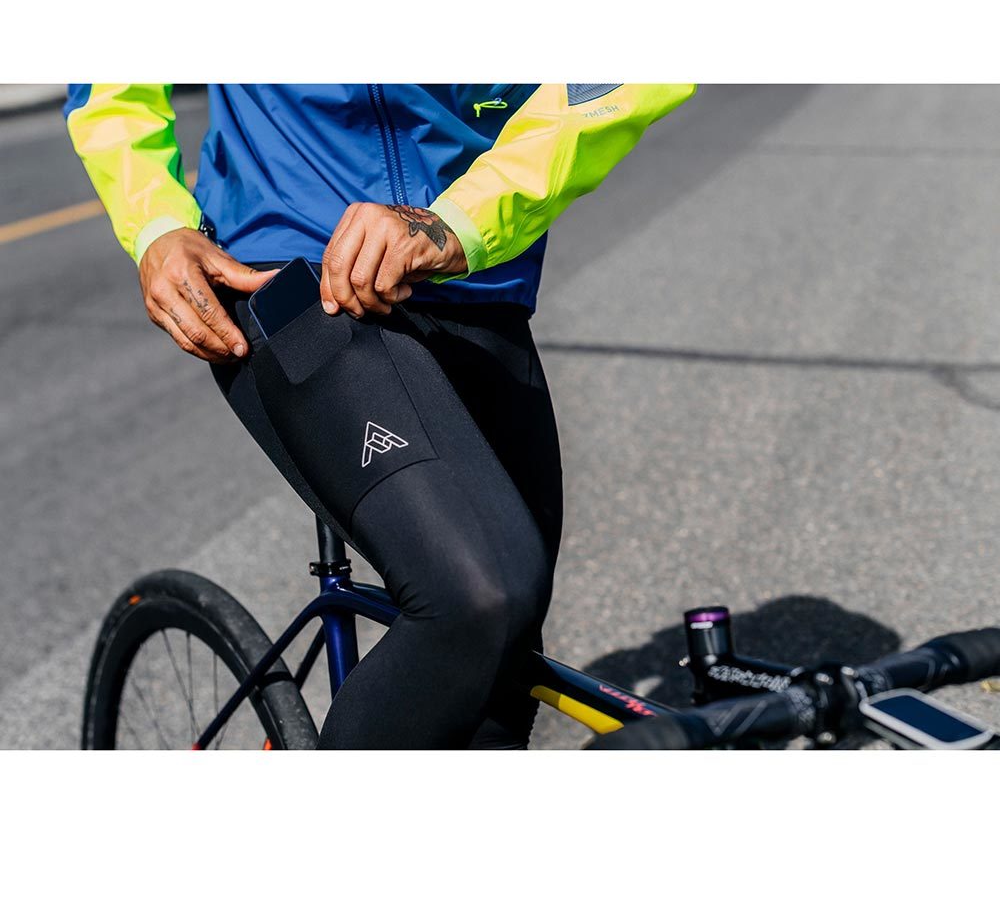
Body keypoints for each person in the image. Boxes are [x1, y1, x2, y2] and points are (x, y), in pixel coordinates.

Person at [65, 83, 696, 748]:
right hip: (294, 268)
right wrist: (157, 224)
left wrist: (463, 220)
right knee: (479, 600)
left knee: (499, 681)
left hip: (476, 272)